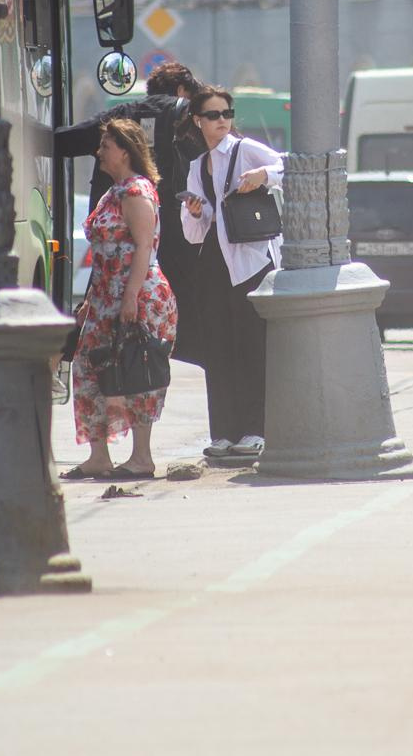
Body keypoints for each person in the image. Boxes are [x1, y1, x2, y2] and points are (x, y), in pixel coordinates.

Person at [54, 62, 206, 379]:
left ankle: (119, 384)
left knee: (113, 337)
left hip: (116, 259)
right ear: (182, 92)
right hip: (180, 244)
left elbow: (65, 141)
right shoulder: (191, 117)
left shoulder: (120, 118)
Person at [64, 119, 179, 481]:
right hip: (104, 298)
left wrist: (129, 298)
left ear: (125, 151)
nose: (100, 152)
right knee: (86, 369)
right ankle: (99, 456)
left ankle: (141, 458)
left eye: (106, 145)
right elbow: (104, 251)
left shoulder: (135, 191)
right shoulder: (112, 191)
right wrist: (91, 299)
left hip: (139, 295)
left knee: (136, 370)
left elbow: (144, 246)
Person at [179, 85, 283, 463]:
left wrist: (263, 175)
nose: (222, 121)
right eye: (213, 115)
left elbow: (290, 166)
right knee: (218, 349)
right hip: (214, 264)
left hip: (252, 262)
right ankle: (223, 432)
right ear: (197, 121)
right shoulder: (196, 167)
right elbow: (196, 232)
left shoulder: (245, 149)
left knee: (251, 346)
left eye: (227, 113)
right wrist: (193, 211)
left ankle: (256, 429)